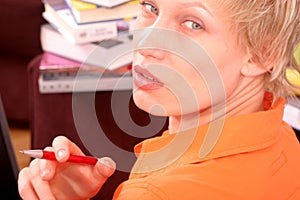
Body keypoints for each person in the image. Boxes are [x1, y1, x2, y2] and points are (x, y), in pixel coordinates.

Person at [18, 0, 300, 199]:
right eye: (150, 7)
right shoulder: (283, 138)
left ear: (263, 54)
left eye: (193, 24)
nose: (147, 43)